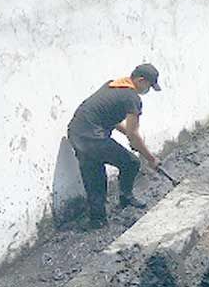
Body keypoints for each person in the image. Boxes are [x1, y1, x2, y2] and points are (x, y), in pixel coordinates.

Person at [67, 64, 162, 228]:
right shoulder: (132, 98)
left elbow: (112, 118)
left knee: (94, 174)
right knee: (131, 163)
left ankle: (97, 219)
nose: (148, 90)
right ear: (140, 80)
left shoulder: (113, 85)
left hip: (77, 132)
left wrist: (129, 136)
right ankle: (126, 197)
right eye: (148, 86)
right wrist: (151, 159)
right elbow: (134, 133)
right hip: (93, 137)